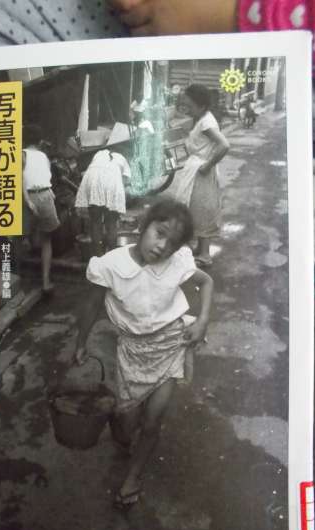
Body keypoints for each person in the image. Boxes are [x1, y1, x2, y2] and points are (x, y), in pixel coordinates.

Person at [75, 198, 214, 508]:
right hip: (133, 352)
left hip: (170, 346)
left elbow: (206, 283)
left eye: (172, 242)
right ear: (143, 226)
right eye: (159, 233)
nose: (162, 246)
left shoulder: (177, 263)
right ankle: (122, 431)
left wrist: (202, 321)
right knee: (127, 421)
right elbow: (92, 304)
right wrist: (80, 343)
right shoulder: (110, 265)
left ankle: (133, 478)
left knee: (152, 422)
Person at [176, 84, 229, 267]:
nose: (187, 109)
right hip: (197, 168)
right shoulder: (202, 119)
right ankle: (200, 248)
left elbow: (224, 145)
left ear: (201, 105)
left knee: (202, 210)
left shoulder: (206, 122)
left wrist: (208, 165)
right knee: (196, 208)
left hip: (201, 171)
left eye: (190, 105)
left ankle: (205, 255)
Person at [22, 124, 60, 294]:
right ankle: (45, 282)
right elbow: (46, 176)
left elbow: (19, 180)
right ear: (39, 141)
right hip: (45, 196)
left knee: (21, 238)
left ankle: (20, 282)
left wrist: (28, 201)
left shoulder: (21, 154)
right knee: (46, 240)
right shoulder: (44, 156)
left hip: (29, 196)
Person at [75, 149, 131, 256]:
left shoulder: (99, 154)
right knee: (111, 223)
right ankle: (112, 255)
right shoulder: (122, 158)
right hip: (111, 181)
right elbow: (125, 182)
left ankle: (98, 255)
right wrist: (116, 208)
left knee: (95, 222)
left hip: (93, 179)